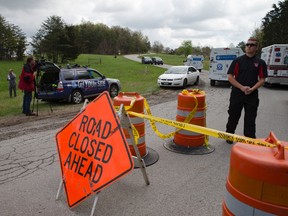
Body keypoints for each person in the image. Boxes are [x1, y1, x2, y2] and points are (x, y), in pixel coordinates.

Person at [225, 38, 268, 144]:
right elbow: (230, 77)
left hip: (252, 95)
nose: (249, 46)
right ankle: (229, 135)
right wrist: (241, 87)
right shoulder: (237, 61)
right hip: (237, 93)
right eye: (247, 44)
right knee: (233, 115)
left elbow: (262, 79)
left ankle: (249, 139)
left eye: (252, 45)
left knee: (250, 117)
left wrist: (252, 89)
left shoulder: (260, 62)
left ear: (256, 48)